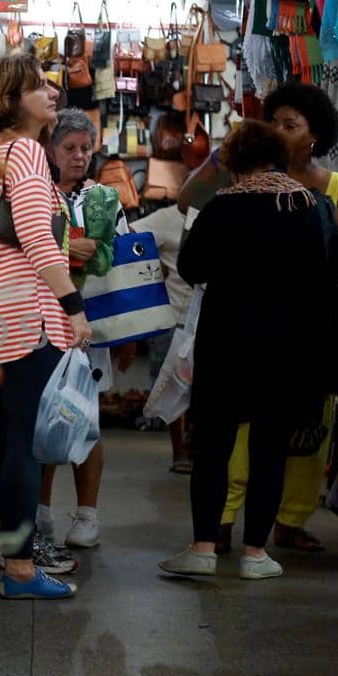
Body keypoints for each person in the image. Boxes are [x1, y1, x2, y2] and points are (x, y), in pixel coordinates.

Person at [159, 121, 338, 581]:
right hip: (289, 348)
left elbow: (191, 266)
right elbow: (332, 276)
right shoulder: (313, 207)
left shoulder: (222, 209)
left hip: (227, 343)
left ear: (236, 164)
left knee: (214, 448)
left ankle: (203, 548)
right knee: (269, 449)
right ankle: (256, 555)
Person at [0, 54, 92, 601]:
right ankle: (22, 571)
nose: (51, 92)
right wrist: (74, 307)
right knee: (22, 445)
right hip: (25, 317)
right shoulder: (28, 152)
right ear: (11, 100)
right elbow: (35, 236)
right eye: (37, 87)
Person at [219, 82, 338, 553]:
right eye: (273, 122)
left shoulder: (337, 188)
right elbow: (191, 203)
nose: (279, 131)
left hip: (313, 325)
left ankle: (291, 520)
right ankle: (222, 517)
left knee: (307, 427)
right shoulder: (244, 180)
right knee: (242, 425)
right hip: (253, 323)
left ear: (314, 135)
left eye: (291, 125)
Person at [36, 108, 123, 553]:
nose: (78, 156)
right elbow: (31, 250)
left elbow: (108, 259)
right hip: (39, 318)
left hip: (89, 324)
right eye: (69, 148)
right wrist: (73, 248)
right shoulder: (36, 191)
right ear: (51, 149)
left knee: (86, 419)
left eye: (85, 148)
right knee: (43, 417)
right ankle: (41, 511)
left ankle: (87, 513)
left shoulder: (105, 199)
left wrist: (65, 249)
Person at [132, 200, 193, 472]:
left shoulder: (217, 213)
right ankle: (179, 452)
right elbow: (129, 233)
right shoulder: (170, 217)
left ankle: (189, 450)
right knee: (171, 385)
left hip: (202, 318)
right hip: (172, 318)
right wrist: (153, 270)